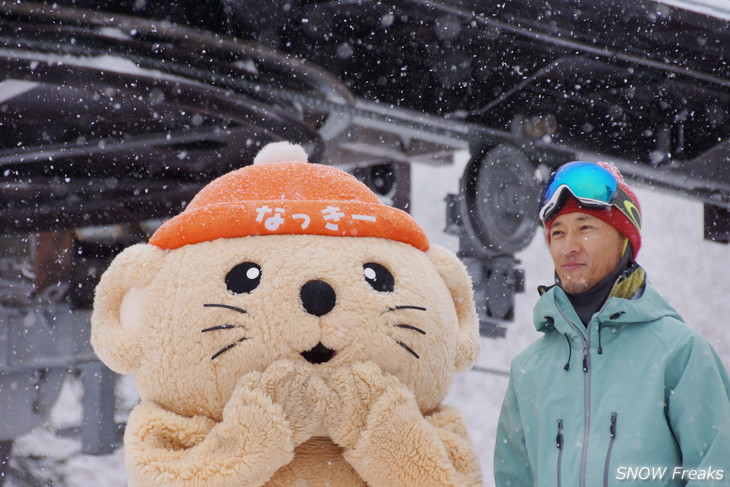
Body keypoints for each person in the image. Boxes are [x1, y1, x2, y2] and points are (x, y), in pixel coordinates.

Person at [494, 161, 730, 487]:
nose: (569, 246)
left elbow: (718, 472)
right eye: (558, 232)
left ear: (624, 241)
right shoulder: (529, 371)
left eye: (585, 228)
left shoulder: (678, 353)